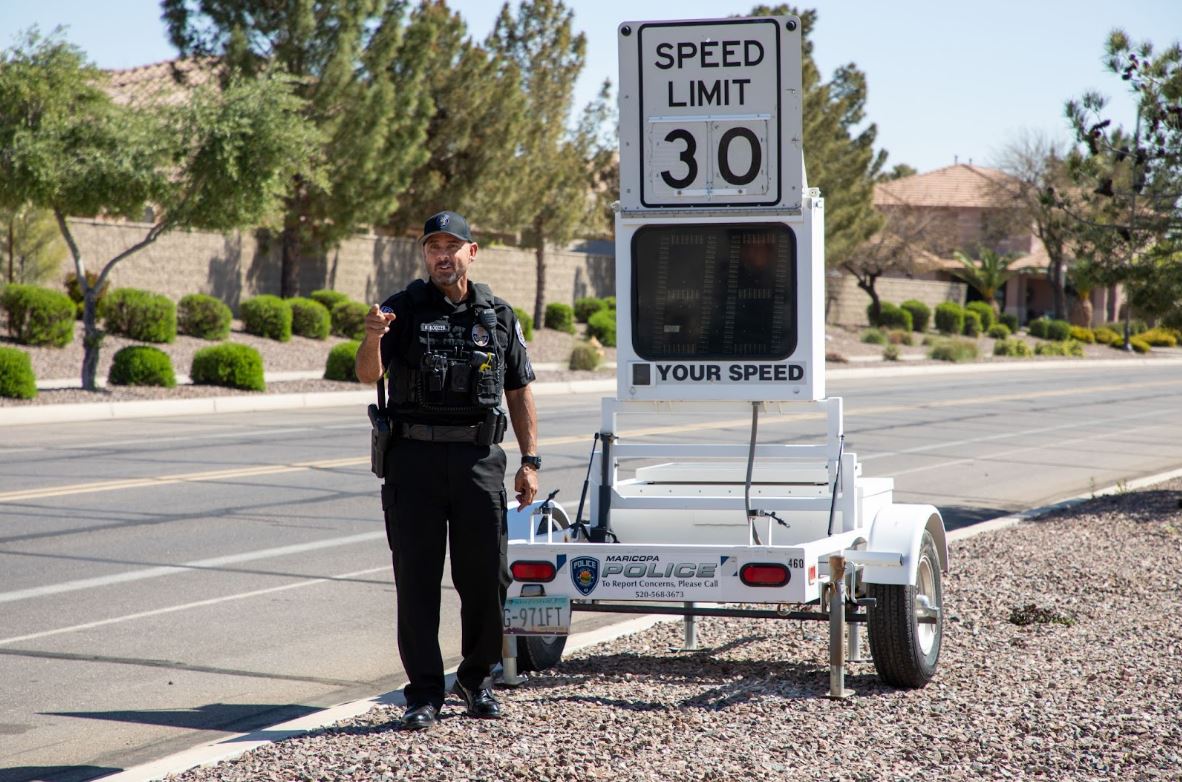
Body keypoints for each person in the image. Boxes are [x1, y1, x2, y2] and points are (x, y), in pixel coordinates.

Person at [355, 210, 540, 731]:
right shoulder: (400, 310)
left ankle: (476, 679)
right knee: (416, 581)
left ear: (471, 253)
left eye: (452, 246)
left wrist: (530, 461)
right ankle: (424, 693)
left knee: (486, 578)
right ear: (425, 255)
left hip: (479, 461)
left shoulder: (498, 315)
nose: (442, 254)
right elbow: (369, 372)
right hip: (412, 461)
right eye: (433, 246)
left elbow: (520, 388)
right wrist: (372, 336)